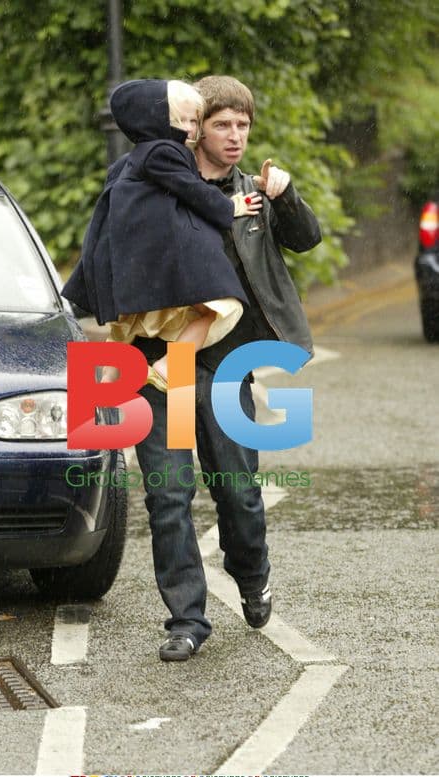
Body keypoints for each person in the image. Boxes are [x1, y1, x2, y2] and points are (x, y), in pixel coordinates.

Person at [129, 75, 321, 662]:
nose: (235, 136)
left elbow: (307, 239)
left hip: (230, 362)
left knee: (236, 492)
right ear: (196, 130)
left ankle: (252, 571)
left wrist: (285, 196)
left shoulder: (255, 193)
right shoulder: (162, 183)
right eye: (222, 125)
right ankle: (185, 620)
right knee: (168, 494)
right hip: (161, 360)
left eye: (244, 125)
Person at [62, 78, 261, 390]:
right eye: (184, 121)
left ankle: (109, 387)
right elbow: (191, 192)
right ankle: (159, 371)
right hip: (160, 295)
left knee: (129, 326)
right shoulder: (165, 156)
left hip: (141, 272)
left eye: (194, 121)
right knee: (223, 309)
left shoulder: (134, 160)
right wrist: (229, 207)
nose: (190, 130)